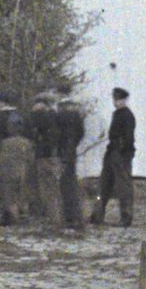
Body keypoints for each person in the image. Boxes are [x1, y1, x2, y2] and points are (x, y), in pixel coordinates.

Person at [91, 86, 136, 228]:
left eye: (118, 99)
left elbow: (128, 138)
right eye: (115, 99)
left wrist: (122, 151)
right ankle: (97, 214)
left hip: (120, 154)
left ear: (124, 100)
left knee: (123, 186)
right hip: (112, 152)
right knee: (104, 184)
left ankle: (126, 216)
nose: (116, 102)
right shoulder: (118, 114)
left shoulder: (126, 115)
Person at [55, 94, 86, 235]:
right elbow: (81, 133)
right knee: (72, 185)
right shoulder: (77, 117)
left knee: (65, 187)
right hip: (71, 153)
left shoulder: (60, 117)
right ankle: (77, 219)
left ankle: (70, 219)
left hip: (63, 153)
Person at [29, 93, 62, 224]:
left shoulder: (42, 117)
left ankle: (53, 217)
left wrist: (35, 112)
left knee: (47, 187)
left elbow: (34, 129)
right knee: (53, 187)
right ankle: (56, 216)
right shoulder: (57, 116)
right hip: (55, 154)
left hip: (44, 155)